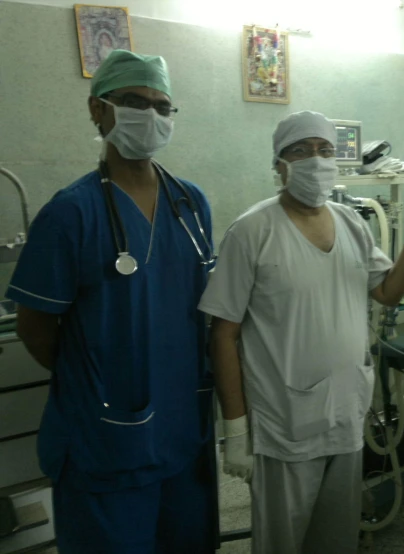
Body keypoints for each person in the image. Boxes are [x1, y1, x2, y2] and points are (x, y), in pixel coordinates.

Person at [197, 111, 404, 554]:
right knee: (282, 541)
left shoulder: (351, 223)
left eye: (325, 151)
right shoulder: (252, 231)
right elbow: (223, 334)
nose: (315, 160)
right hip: (285, 421)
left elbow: (388, 291)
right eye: (301, 151)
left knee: (336, 538)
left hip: (346, 411)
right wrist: (235, 430)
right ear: (279, 164)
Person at [6, 50, 217, 553]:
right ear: (97, 110)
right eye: (132, 101)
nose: (151, 116)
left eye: (162, 107)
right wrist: (95, 376)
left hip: (182, 426)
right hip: (105, 440)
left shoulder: (190, 204)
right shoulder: (70, 214)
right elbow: (34, 326)